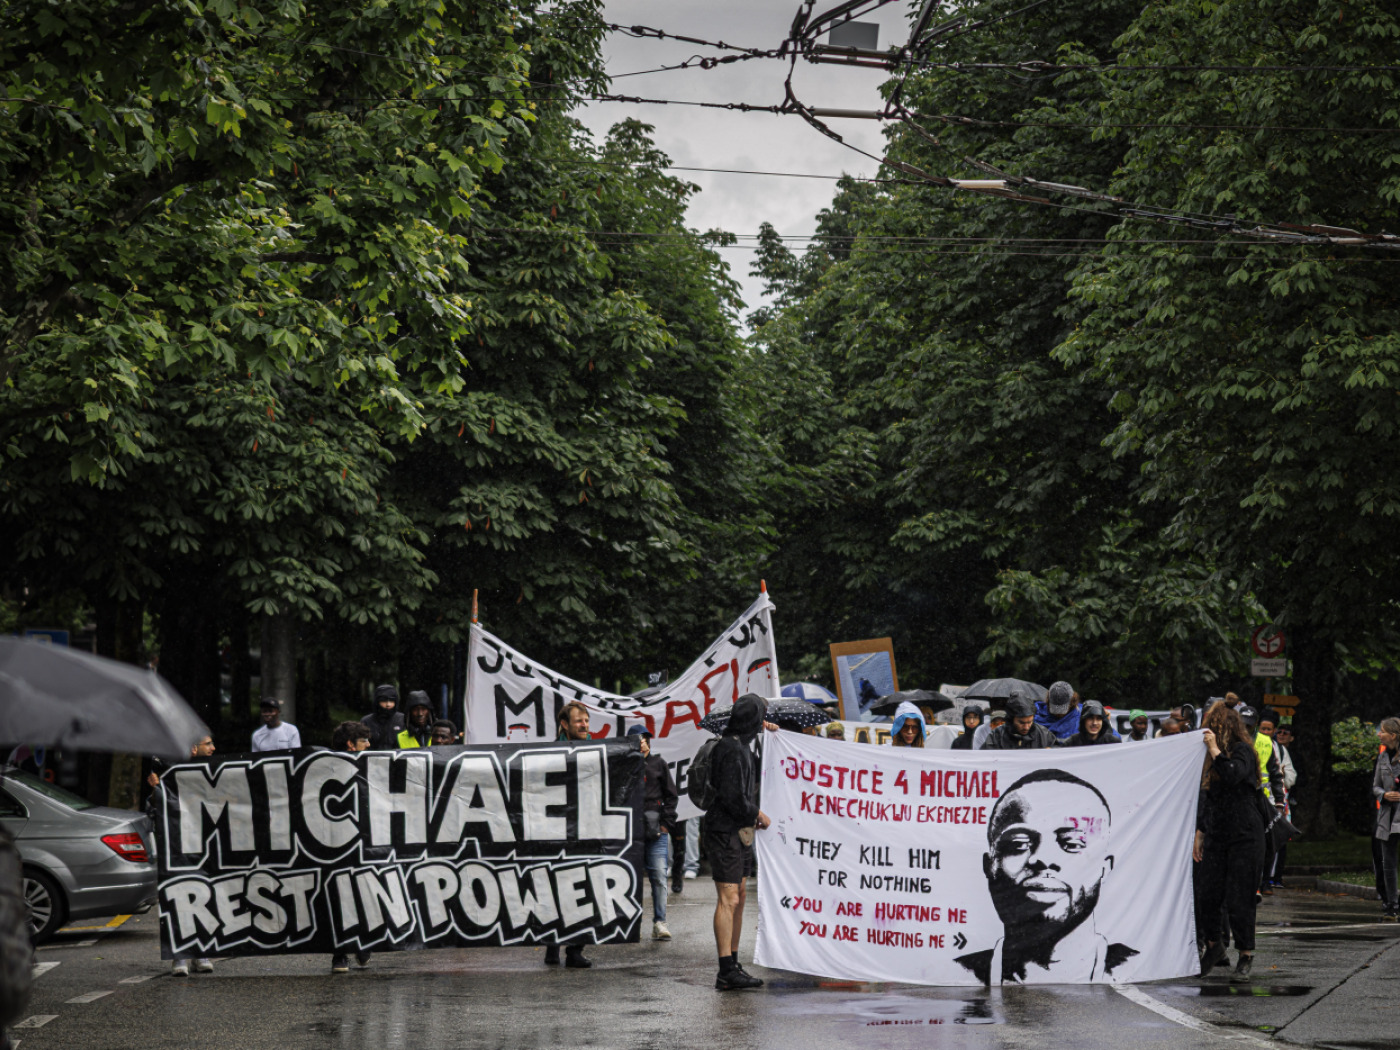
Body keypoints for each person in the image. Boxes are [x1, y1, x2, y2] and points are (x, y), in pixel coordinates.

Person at [954, 770, 1135, 983]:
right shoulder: (957, 975)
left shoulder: (1140, 967)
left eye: (1072, 844)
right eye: (1019, 844)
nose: (1043, 859)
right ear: (990, 865)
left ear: (1105, 868)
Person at [1195, 703, 1267, 978]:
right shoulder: (1211, 759)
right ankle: (1215, 945)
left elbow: (1233, 775)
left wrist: (1214, 750)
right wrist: (1200, 834)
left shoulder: (1243, 751)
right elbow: (1211, 797)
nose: (1209, 733)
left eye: (1214, 727)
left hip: (1245, 834)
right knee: (1208, 894)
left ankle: (1246, 953)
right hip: (1219, 833)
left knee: (1240, 898)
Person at [706, 693, 769, 991]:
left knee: (740, 895)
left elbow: (757, 771)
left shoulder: (741, 745)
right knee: (729, 898)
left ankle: (732, 961)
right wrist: (756, 812)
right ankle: (725, 969)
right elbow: (732, 797)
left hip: (738, 832)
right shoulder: (730, 749)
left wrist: (770, 737)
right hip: (724, 831)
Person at [146, 734, 217, 975]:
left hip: (203, 844)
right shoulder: (164, 771)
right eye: (208, 743)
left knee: (204, 893)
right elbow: (153, 809)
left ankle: (201, 951)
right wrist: (155, 791)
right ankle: (180, 954)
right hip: (175, 845)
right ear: (192, 747)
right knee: (176, 892)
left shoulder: (213, 771)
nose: (212, 748)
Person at [545, 702, 594, 968]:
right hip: (556, 832)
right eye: (579, 721)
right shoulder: (549, 752)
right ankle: (552, 945)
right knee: (556, 889)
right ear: (564, 724)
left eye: (586, 720)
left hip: (586, 831)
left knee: (584, 890)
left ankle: (575, 950)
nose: (585, 725)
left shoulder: (597, 750)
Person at [330, 721, 374, 973]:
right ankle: (342, 952)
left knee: (362, 892)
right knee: (340, 896)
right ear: (350, 744)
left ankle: (360, 943)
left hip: (363, 841)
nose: (369, 745)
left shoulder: (370, 764)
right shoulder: (326, 766)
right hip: (338, 843)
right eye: (364, 741)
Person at [627, 725, 678, 940]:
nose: (642, 742)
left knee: (658, 876)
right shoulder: (626, 766)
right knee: (630, 879)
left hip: (657, 831)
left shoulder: (659, 763)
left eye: (645, 738)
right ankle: (631, 923)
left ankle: (660, 922)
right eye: (638, 739)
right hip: (630, 831)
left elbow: (671, 795)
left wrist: (666, 824)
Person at [1372, 718, 1400, 921]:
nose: (1379, 735)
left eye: (1382, 732)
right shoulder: (1382, 757)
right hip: (1387, 816)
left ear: (1393, 735)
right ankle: (1391, 902)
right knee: (1387, 862)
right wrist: (1383, 795)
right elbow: (1375, 786)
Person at [982, 695, 1056, 750]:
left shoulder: (1044, 735)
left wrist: (1052, 751)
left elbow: (1061, 753)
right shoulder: (996, 736)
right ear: (1011, 719)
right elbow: (982, 758)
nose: (1026, 727)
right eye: (1021, 723)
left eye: (1030, 722)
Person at [363, 684, 405, 750]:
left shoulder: (402, 720)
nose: (388, 704)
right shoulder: (366, 721)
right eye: (384, 701)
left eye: (391, 701)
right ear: (377, 702)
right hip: (373, 758)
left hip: (398, 758)